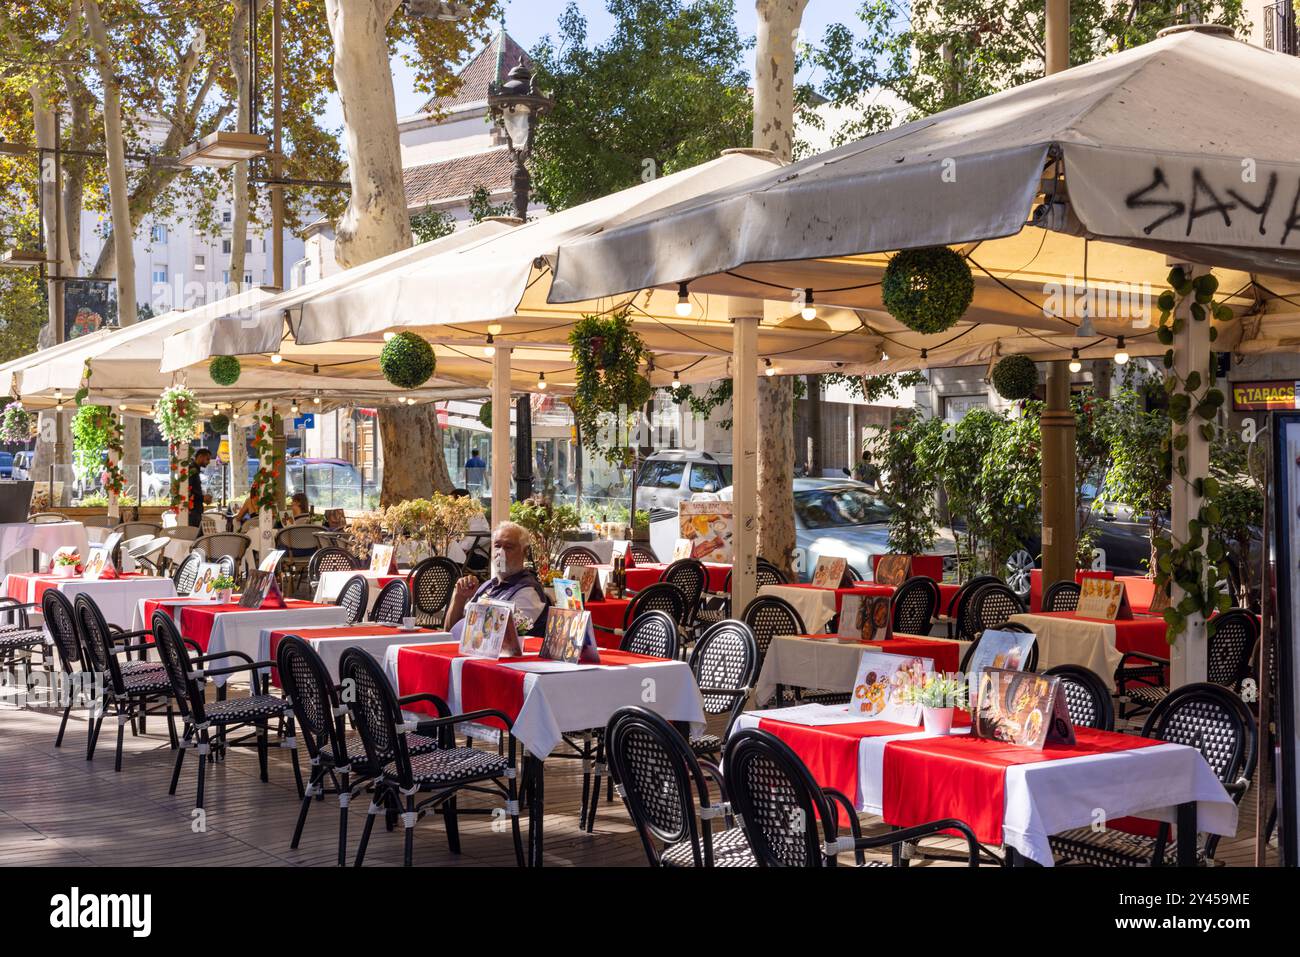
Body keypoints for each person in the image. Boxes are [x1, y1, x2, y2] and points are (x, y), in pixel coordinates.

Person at [444, 521, 549, 638]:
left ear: (524, 551)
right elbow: (450, 633)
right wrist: (459, 597)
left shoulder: (528, 591)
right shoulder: (488, 585)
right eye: (497, 546)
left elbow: (495, 638)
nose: (501, 553)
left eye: (509, 547)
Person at [188, 449, 213, 528]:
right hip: (193, 511)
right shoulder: (192, 470)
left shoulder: (195, 470)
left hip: (196, 510)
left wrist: (203, 498)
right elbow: (189, 491)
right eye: (207, 459)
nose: (208, 462)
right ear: (200, 457)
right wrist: (203, 498)